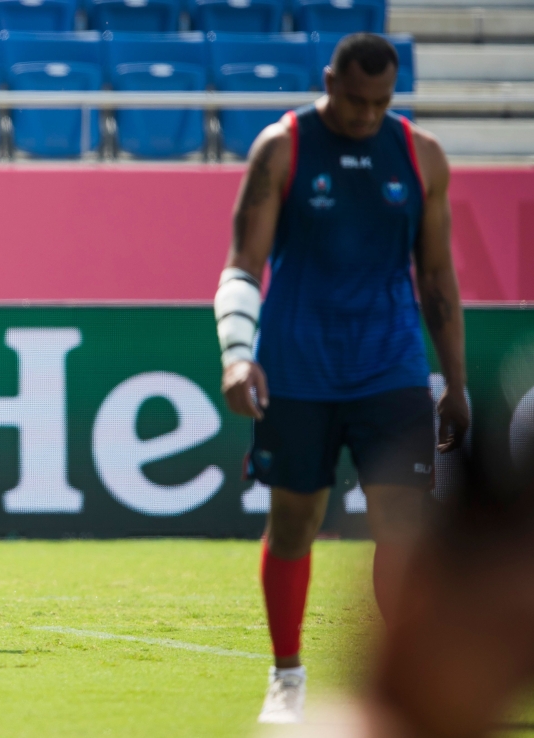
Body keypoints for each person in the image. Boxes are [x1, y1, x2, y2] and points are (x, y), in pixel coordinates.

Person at [214, 33, 468, 723]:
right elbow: (243, 263)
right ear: (329, 79)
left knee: (404, 527)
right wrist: (238, 354)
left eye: (380, 102)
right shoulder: (283, 147)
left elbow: (438, 277)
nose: (365, 115)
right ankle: (287, 676)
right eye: (354, 99)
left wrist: (457, 382)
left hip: (391, 369)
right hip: (298, 370)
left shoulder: (422, 157)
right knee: (295, 522)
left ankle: (403, 683)